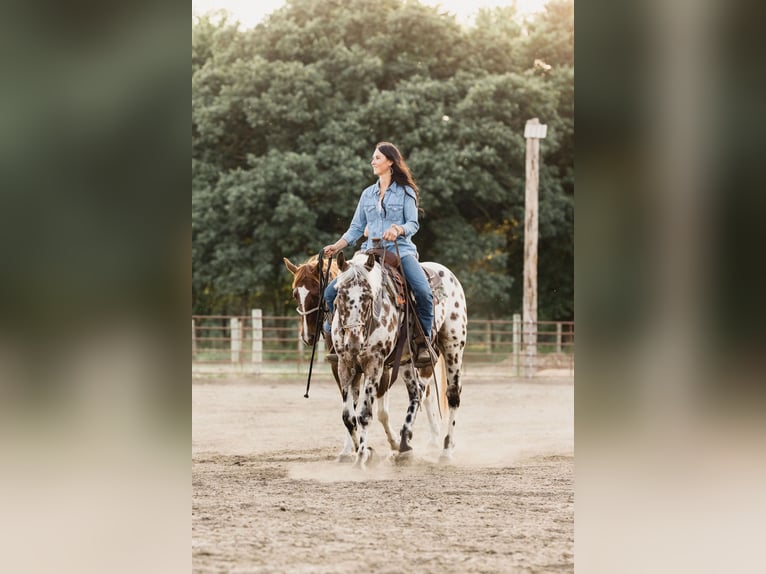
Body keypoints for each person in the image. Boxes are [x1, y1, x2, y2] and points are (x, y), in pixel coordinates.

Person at [323, 142, 435, 368]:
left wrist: (398, 229)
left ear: (390, 162)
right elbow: (356, 228)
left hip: (399, 251)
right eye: (373, 158)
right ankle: (337, 340)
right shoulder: (367, 194)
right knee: (329, 292)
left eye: (377, 158)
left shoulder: (406, 192)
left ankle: (423, 342)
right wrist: (337, 246)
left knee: (424, 293)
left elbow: (413, 223)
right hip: (369, 254)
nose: (372, 161)